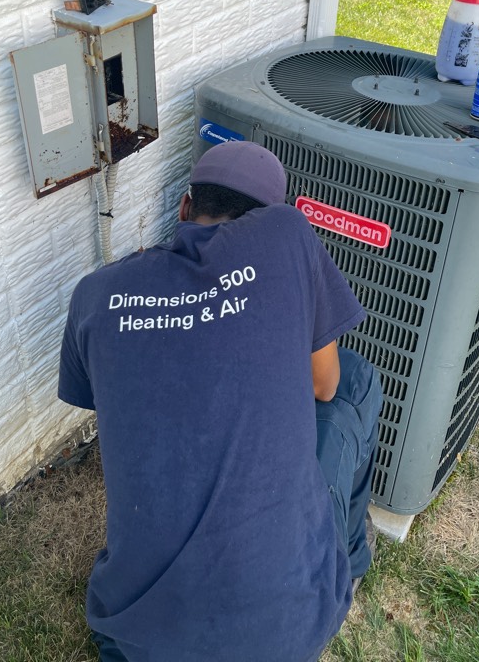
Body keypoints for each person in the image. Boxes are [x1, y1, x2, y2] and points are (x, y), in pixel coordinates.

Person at [59, 141, 382, 662]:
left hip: (133, 638)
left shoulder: (95, 294)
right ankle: (346, 559)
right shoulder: (288, 234)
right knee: (357, 381)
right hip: (287, 633)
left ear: (185, 208)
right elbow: (325, 386)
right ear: (271, 213)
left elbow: (119, 402)